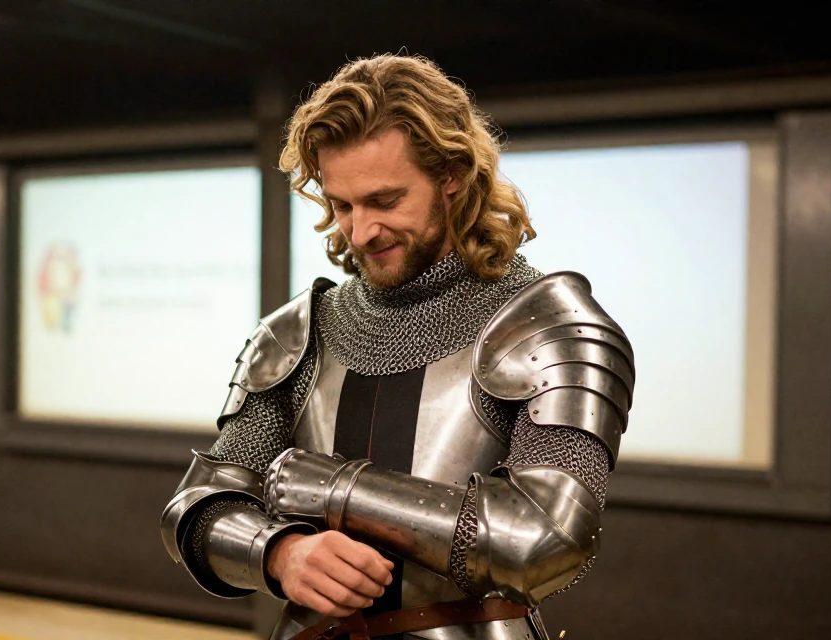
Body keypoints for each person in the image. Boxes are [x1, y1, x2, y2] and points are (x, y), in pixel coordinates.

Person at [161, 54, 634, 640]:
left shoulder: (547, 329)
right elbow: (198, 505)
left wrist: (333, 489)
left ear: (453, 175)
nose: (359, 232)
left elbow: (544, 542)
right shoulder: (298, 332)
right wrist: (279, 554)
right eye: (341, 205)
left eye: (384, 201)